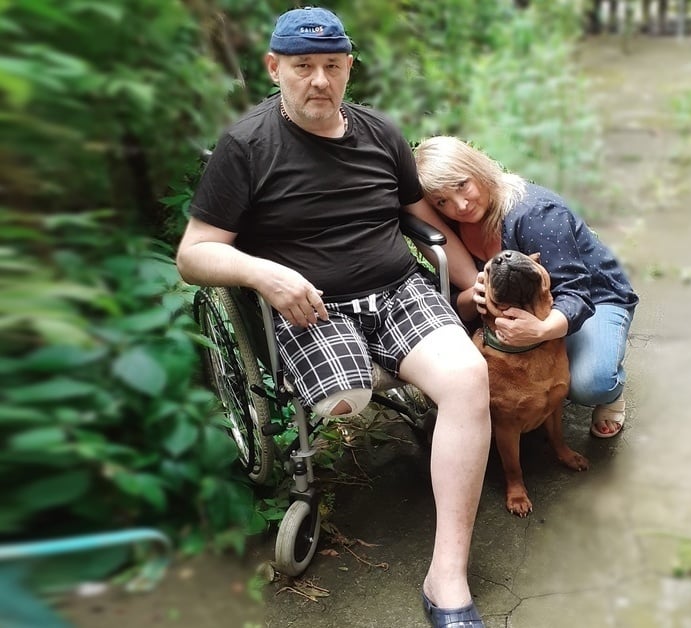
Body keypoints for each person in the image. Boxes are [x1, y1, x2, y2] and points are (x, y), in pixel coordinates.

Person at [176, 9, 489, 628]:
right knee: (346, 401)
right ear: (275, 68)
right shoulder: (246, 147)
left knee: (467, 378)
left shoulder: (380, 132)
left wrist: (472, 282)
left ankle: (447, 575)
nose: (319, 80)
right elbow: (194, 254)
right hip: (311, 305)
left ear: (348, 68)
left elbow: (423, 218)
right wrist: (263, 273)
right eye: (303, 67)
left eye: (332, 65)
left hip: (397, 289)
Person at [414, 136, 639, 438]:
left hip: (593, 297)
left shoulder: (535, 213)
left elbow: (576, 291)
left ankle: (611, 393)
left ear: (478, 169)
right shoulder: (453, 225)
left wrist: (542, 331)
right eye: (442, 201)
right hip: (529, 304)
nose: (460, 205)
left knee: (590, 383)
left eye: (462, 185)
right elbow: (456, 300)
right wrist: (471, 296)